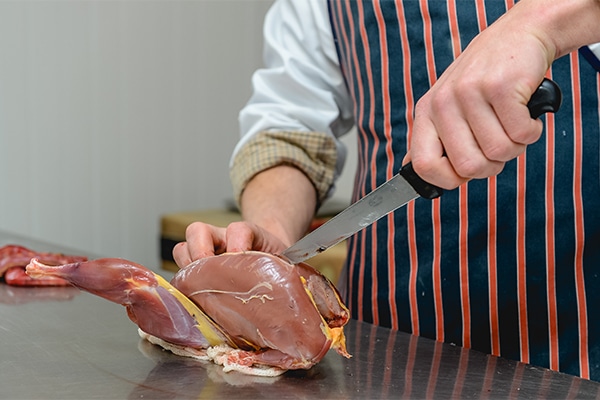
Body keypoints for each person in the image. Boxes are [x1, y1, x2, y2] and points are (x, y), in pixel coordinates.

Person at [174, 0, 600, 381]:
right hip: (387, 343)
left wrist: (536, 22)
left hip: (579, 340)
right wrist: (269, 254)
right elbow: (291, 132)